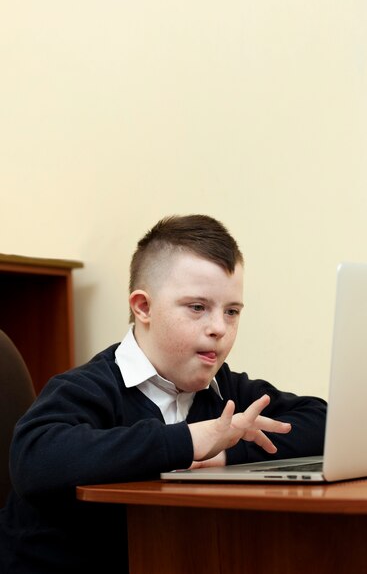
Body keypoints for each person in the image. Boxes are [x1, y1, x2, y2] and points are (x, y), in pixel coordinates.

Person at [0, 214, 327, 573]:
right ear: (143, 307)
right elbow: (35, 458)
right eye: (198, 307)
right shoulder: (88, 387)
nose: (219, 328)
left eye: (232, 311)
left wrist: (222, 454)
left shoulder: (225, 389)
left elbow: (325, 420)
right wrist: (189, 440)